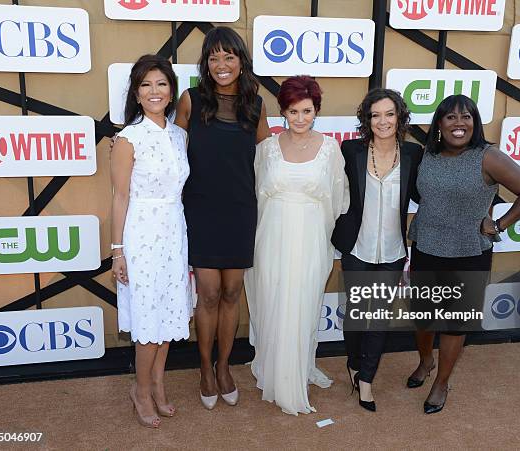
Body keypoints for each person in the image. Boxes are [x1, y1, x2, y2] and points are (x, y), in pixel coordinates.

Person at [406, 94, 520, 414]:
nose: (459, 124)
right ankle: (425, 361)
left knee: (454, 323)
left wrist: (498, 225)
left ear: (475, 123)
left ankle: (441, 382)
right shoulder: (429, 154)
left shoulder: (487, 156)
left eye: (466, 117)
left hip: (468, 253)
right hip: (426, 246)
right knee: (423, 316)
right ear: (439, 124)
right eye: (451, 117)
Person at [174, 26, 270, 410]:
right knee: (209, 293)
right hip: (201, 210)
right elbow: (170, 153)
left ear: (241, 60)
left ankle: (225, 366)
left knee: (232, 293)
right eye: (213, 57)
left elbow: (268, 161)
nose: (221, 64)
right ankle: (203, 368)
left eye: (229, 56)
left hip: (241, 211)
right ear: (205, 63)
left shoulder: (256, 104)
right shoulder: (191, 100)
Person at [244, 76, 349, 416]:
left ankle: (296, 373)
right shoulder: (267, 149)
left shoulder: (331, 149)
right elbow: (257, 195)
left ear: (316, 110)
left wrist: (320, 234)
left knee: (302, 305)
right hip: (271, 235)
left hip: (311, 237)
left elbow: (337, 200)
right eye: (293, 111)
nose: (300, 118)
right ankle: (274, 372)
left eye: (307, 110)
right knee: (274, 301)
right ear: (283, 112)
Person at [111, 54, 192, 428]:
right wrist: (118, 252)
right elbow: (120, 197)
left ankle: (158, 386)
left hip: (174, 231)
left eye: (161, 83)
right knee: (148, 321)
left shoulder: (180, 136)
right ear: (137, 94)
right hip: (141, 233)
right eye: (146, 85)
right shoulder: (128, 138)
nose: (154, 91)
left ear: (171, 91)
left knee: (169, 314)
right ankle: (140, 391)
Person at [331, 88, 422, 412]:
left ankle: (366, 379)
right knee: (357, 316)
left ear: (400, 117)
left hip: (393, 250)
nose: (383, 121)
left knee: (378, 317)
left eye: (389, 114)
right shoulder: (351, 150)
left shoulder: (413, 154)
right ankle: (354, 364)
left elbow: (426, 194)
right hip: (357, 247)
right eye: (376, 115)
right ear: (367, 120)